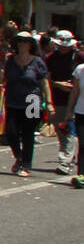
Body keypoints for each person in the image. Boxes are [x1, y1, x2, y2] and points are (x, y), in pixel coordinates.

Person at [1, 31, 53, 177]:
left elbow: (44, 82)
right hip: (13, 100)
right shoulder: (10, 60)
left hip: (33, 100)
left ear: (31, 44)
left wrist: (49, 102)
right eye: (20, 41)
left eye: (26, 41)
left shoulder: (37, 61)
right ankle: (19, 156)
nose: (22, 44)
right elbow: (2, 79)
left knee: (28, 133)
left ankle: (26, 164)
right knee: (10, 132)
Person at [44, 31, 83, 174]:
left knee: (70, 130)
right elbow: (46, 80)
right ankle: (69, 158)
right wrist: (58, 85)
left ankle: (65, 161)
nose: (64, 48)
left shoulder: (79, 57)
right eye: (61, 45)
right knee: (61, 130)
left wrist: (73, 85)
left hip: (77, 100)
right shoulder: (50, 58)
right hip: (57, 98)